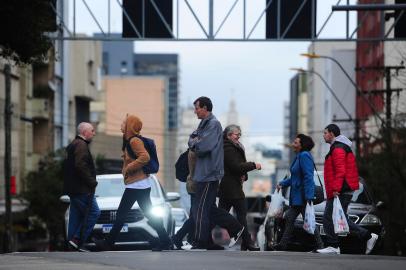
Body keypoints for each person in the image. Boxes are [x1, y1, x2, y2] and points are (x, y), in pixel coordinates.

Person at [95, 114, 172, 251]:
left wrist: (129, 168)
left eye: (124, 123)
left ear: (130, 126)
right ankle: (165, 240)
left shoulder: (134, 141)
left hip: (137, 184)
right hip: (139, 183)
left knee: (121, 215)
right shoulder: (130, 140)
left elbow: (145, 157)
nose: (121, 125)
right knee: (147, 213)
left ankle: (108, 243)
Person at [188, 96, 244, 249]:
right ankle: (234, 229)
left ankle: (200, 241)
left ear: (205, 108)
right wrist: (195, 141)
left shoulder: (213, 124)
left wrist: (195, 142)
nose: (195, 111)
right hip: (204, 173)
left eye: (197, 108)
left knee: (200, 208)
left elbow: (204, 147)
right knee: (209, 208)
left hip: (208, 173)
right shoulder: (203, 125)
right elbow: (191, 139)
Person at [316, 124, 378, 255]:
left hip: (341, 189)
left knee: (329, 217)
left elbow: (340, 171)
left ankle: (336, 245)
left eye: (325, 132)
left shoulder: (338, 148)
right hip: (341, 189)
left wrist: (336, 189)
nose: (324, 135)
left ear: (332, 134)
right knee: (338, 217)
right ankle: (339, 244)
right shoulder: (337, 147)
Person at [272, 134, 324, 251]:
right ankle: (283, 244)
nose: (293, 144)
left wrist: (309, 196)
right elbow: (294, 178)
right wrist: (282, 183)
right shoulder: (299, 156)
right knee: (290, 217)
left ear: (302, 145)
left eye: (295, 142)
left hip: (303, 196)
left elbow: (308, 176)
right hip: (297, 197)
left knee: (309, 220)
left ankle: (320, 245)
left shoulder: (304, 156)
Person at [218, 125, 261, 251]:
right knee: (230, 215)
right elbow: (235, 166)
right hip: (230, 187)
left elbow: (238, 167)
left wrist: (244, 176)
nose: (239, 136)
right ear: (229, 135)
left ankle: (246, 242)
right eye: (237, 134)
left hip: (233, 186)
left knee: (222, 215)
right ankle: (244, 239)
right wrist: (253, 165)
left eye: (240, 134)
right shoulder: (227, 147)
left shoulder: (233, 146)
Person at [63, 122, 101, 252]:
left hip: (73, 188)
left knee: (76, 215)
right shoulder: (81, 145)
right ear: (84, 132)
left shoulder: (73, 144)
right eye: (92, 130)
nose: (94, 133)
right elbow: (80, 165)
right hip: (82, 189)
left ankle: (71, 243)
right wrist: (92, 182)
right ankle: (77, 240)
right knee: (94, 212)